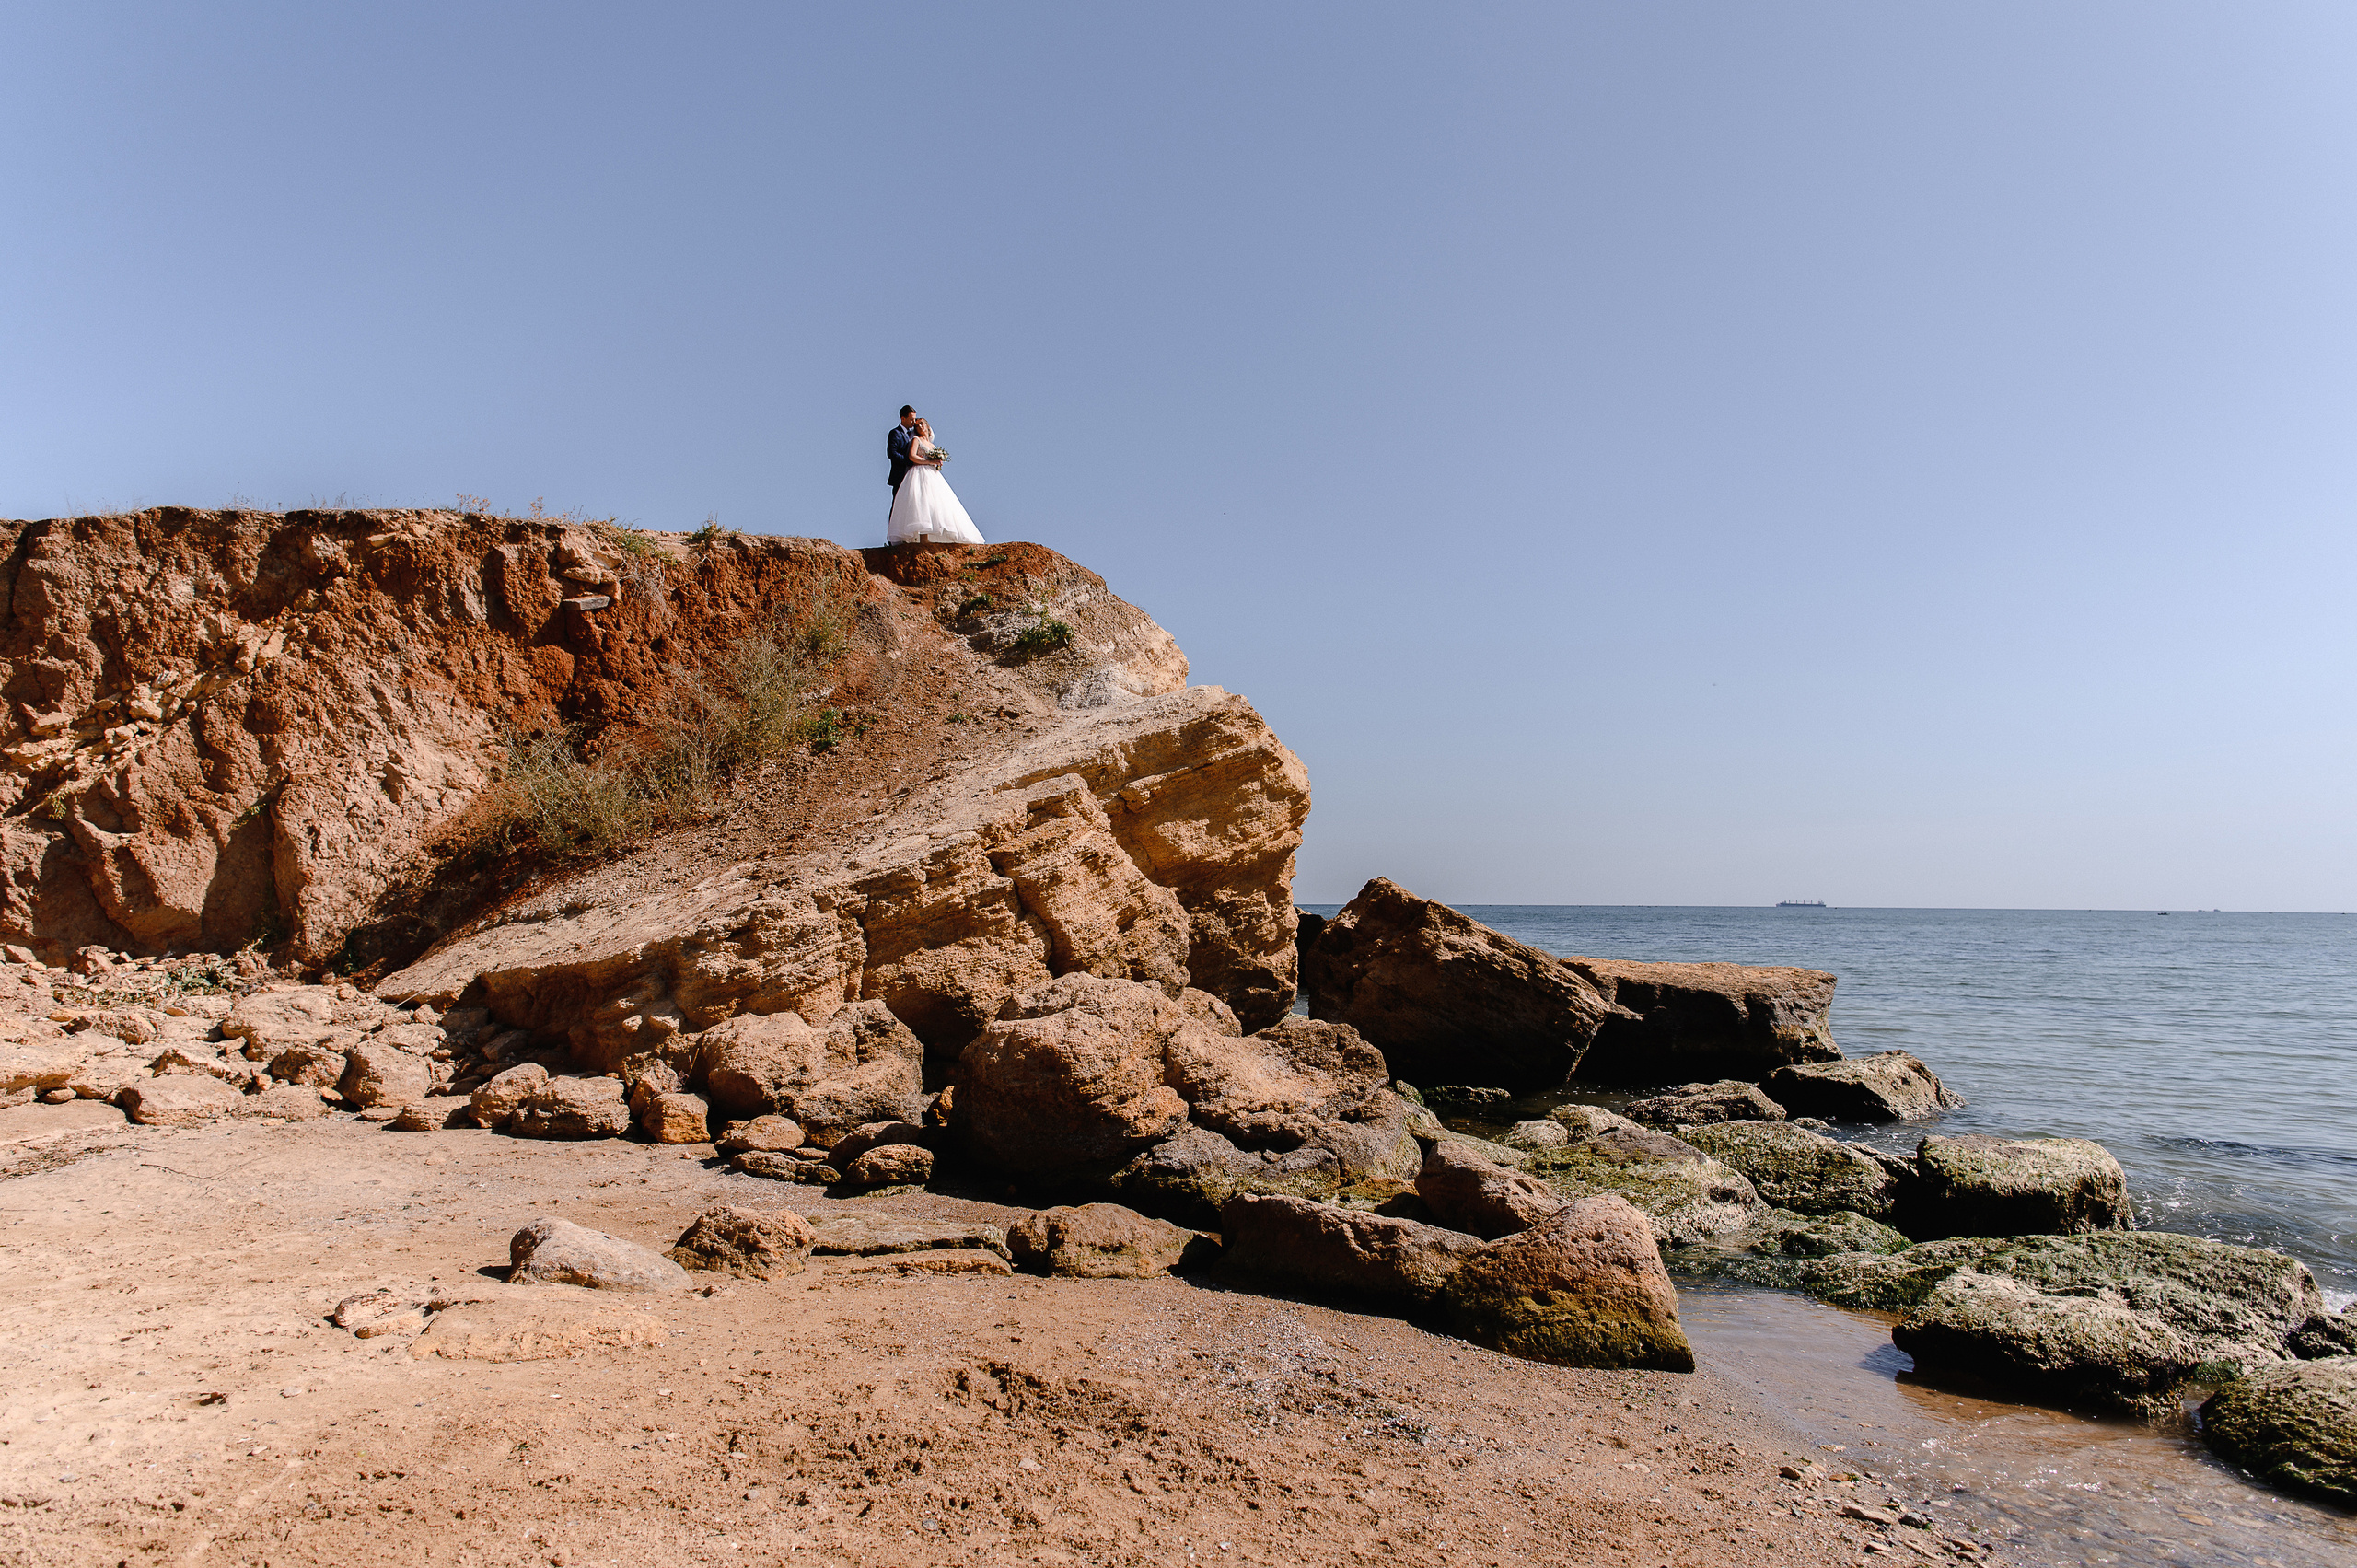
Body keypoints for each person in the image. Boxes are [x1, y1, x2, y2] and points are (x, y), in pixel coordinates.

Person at [886, 413, 984, 544]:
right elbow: (912, 457)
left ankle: (936, 533)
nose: (919, 426)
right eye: (917, 425)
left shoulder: (932, 446)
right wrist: (927, 461)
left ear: (927, 426)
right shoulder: (916, 440)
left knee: (935, 504)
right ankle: (923, 537)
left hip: (932, 475)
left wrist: (937, 463)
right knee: (921, 503)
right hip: (919, 472)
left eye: (921, 423)